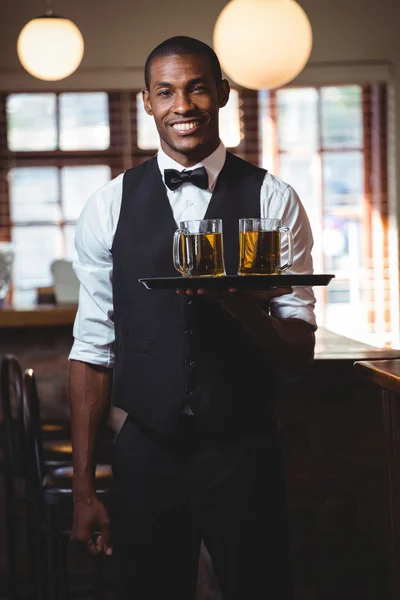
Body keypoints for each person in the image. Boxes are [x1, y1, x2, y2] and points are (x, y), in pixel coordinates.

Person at [69, 35, 317, 600]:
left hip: (244, 446)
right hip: (146, 449)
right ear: (148, 103)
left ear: (223, 95)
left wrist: (237, 303)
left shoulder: (273, 200)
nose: (182, 106)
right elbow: (91, 349)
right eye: (166, 92)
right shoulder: (108, 205)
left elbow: (297, 350)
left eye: (198, 87)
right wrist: (85, 492)